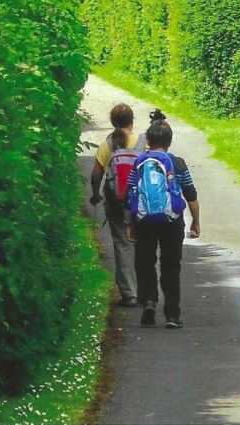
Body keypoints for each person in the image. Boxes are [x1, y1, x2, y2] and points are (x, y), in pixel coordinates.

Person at [126, 114, 200, 329]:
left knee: (145, 261)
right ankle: (172, 315)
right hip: (172, 220)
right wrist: (196, 221)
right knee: (171, 265)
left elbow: (131, 194)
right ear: (170, 141)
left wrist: (131, 224)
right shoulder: (177, 163)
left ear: (147, 141)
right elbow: (191, 195)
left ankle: (149, 301)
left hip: (144, 220)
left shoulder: (139, 163)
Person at [89, 103, 144, 307]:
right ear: (132, 121)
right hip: (139, 203)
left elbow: (96, 176)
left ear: (112, 122)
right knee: (142, 243)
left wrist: (96, 195)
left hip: (116, 201)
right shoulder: (143, 142)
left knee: (122, 244)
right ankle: (146, 290)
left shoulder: (107, 145)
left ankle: (129, 293)